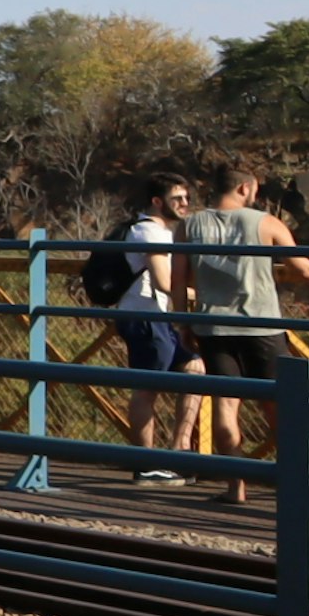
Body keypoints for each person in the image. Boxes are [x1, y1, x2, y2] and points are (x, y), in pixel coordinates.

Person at [176, 162, 309, 487]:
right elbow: (305, 269)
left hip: (211, 327)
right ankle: (297, 480)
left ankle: (236, 486)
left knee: (225, 405)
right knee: (280, 403)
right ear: (245, 188)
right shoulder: (265, 222)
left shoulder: (189, 225)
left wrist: (183, 322)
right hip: (261, 325)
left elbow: (178, 282)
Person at [95, 175, 198, 474]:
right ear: (157, 201)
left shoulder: (163, 232)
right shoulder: (147, 232)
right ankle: (146, 463)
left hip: (164, 318)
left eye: (186, 198)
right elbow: (165, 283)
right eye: (177, 198)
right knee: (147, 389)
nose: (184, 204)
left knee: (196, 369)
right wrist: (204, 296)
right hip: (145, 317)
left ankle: (180, 451)